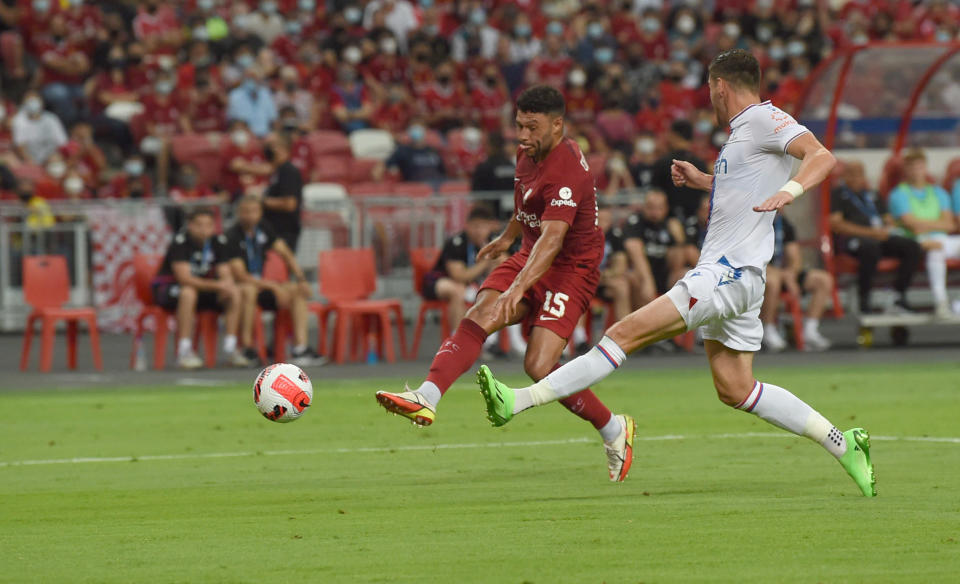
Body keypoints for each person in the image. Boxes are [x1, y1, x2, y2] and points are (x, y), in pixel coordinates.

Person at [477, 50, 876, 498]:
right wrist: (706, 180)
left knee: (622, 333)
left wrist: (790, 191)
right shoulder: (742, 134)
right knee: (736, 388)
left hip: (726, 274)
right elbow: (746, 187)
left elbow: (821, 157)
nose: (710, 98)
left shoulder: (766, 120)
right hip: (741, 279)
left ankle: (519, 401)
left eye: (710, 90)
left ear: (720, 86)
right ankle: (844, 444)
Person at [375, 86, 636, 482]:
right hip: (529, 253)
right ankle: (426, 397)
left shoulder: (567, 169)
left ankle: (614, 428)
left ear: (557, 125)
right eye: (519, 125)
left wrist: (518, 288)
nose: (523, 135)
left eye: (532, 127)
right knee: (481, 311)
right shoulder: (528, 152)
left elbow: (552, 240)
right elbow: (527, 205)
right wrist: (508, 235)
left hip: (570, 268)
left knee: (539, 365)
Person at [226, 195, 323, 367]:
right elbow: (240, 275)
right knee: (248, 290)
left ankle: (300, 348)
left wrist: (301, 279)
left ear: (260, 213)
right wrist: (273, 285)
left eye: (254, 211)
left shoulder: (263, 229)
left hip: (262, 287)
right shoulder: (232, 236)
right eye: (245, 212)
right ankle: (247, 347)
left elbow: (285, 252)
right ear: (239, 214)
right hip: (243, 288)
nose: (250, 216)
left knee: (297, 291)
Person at [152, 207, 246, 369]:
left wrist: (227, 286)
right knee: (188, 293)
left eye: (209, 225)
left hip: (204, 290)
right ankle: (184, 350)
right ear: (190, 225)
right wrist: (218, 285)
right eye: (199, 225)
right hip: (170, 290)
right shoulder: (180, 242)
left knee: (234, 292)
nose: (204, 229)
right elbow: (184, 279)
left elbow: (225, 273)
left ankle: (231, 349)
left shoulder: (218, 242)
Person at [829, 160, 922, 313]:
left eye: (859, 174)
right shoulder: (838, 194)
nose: (855, 178)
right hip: (854, 239)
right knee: (870, 248)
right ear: (844, 176)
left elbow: (887, 218)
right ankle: (864, 297)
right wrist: (871, 233)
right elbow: (837, 224)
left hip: (879, 237)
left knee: (912, 246)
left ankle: (899, 295)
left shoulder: (873, 194)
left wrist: (889, 227)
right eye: (851, 174)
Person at [888, 149, 960, 318]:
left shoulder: (938, 192)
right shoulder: (899, 194)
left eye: (920, 167)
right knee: (936, 251)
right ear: (906, 170)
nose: (916, 171)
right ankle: (941, 303)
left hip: (942, 238)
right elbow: (911, 225)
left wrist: (923, 224)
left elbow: (950, 225)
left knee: (940, 245)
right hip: (915, 241)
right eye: (912, 167)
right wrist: (936, 224)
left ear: (925, 168)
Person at [761, 215, 833, 352]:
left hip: (783, 274)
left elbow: (795, 258)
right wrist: (782, 275)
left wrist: (790, 274)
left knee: (823, 279)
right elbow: (752, 259)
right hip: (760, 273)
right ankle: (768, 329)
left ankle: (810, 330)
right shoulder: (753, 222)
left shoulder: (784, 224)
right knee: (773, 280)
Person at [422, 206, 500, 331]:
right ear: (467, 225)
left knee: (501, 289)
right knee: (457, 290)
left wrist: (496, 260)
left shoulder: (493, 242)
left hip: (471, 286)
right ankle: (457, 340)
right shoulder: (456, 242)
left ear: (490, 226)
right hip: (440, 281)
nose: (479, 231)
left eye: (484, 226)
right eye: (475, 226)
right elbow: (459, 276)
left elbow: (505, 266)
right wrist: (486, 262)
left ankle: (494, 340)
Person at [623, 189, 688, 296]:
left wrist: (679, 238)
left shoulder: (671, 224)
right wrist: (647, 280)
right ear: (643, 206)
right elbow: (634, 251)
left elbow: (679, 258)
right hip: (643, 273)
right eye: (650, 207)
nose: (655, 212)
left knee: (684, 271)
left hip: (665, 274)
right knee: (635, 277)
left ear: (666, 209)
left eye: (659, 208)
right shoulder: (635, 221)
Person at [652, 119, 707, 221]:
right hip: (696, 221)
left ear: (674, 135)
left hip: (667, 222)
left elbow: (655, 194)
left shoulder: (662, 163)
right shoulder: (700, 164)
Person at [261, 135, 303, 252]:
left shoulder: (288, 170)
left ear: (283, 148)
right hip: (274, 231)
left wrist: (261, 201)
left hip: (284, 232)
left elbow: (290, 204)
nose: (268, 149)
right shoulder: (277, 171)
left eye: (272, 146)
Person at [373, 122, 445, 183]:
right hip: (418, 186)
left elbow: (442, 170)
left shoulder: (432, 150)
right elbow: (382, 166)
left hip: (439, 183)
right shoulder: (403, 151)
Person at [11, 91, 67, 165]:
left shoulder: (52, 119)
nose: (33, 102)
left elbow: (63, 144)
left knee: (57, 164)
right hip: (29, 161)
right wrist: (33, 163)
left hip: (50, 159)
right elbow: (20, 147)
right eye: (29, 99)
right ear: (23, 103)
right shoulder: (19, 120)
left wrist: (54, 158)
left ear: (42, 102)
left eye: (35, 98)